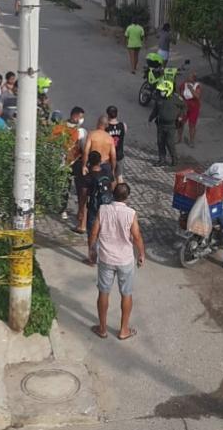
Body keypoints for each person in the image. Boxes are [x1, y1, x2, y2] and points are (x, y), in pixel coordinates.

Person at [88, 181, 144, 340]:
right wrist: (141, 254)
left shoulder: (103, 210)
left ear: (113, 194)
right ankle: (124, 330)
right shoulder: (131, 214)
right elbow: (137, 236)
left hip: (106, 258)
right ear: (127, 197)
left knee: (103, 292)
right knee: (126, 294)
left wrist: (92, 250)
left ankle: (102, 329)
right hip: (125, 260)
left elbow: (94, 232)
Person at [83, 150, 115, 263]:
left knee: (92, 232)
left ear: (89, 162)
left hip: (94, 208)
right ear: (100, 161)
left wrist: (82, 209)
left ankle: (92, 258)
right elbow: (113, 186)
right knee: (105, 231)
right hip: (107, 206)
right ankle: (106, 256)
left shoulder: (88, 177)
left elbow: (83, 194)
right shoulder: (107, 173)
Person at [63, 107, 89, 229]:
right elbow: (85, 149)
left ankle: (64, 209)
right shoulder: (81, 132)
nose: (82, 119)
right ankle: (80, 212)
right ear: (75, 116)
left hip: (67, 162)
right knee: (77, 189)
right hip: (75, 162)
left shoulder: (62, 127)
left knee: (66, 187)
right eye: (81, 117)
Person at [148, 81, 183, 166]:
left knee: (170, 143)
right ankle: (162, 160)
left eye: (163, 90)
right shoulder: (159, 98)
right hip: (160, 124)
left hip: (171, 125)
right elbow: (155, 110)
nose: (161, 92)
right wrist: (150, 119)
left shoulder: (176, 99)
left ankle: (174, 160)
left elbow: (184, 107)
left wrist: (180, 116)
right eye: (160, 90)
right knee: (160, 142)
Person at [178, 71, 202, 147]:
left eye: (190, 77)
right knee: (181, 122)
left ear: (194, 79)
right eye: (188, 76)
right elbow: (180, 95)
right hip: (184, 106)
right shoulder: (183, 84)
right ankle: (179, 138)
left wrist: (191, 89)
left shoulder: (197, 86)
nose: (188, 78)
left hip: (194, 108)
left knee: (192, 125)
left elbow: (197, 96)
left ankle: (191, 141)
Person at [105, 105, 127, 179]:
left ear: (108, 115)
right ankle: (120, 186)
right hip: (119, 154)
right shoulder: (123, 125)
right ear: (117, 114)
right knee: (119, 176)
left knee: (110, 176)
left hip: (109, 156)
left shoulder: (106, 127)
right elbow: (123, 134)